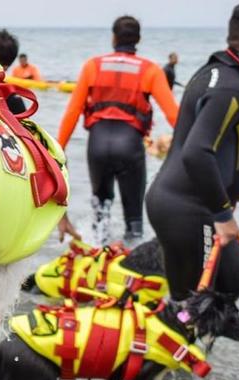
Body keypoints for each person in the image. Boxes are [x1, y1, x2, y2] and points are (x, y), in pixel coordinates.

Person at [146, 1, 239, 301]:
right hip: (189, 209)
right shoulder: (230, 88)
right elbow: (197, 152)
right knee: (213, 295)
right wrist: (224, 216)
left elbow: (204, 144)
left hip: (176, 203)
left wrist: (231, 185)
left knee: (213, 292)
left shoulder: (213, 72)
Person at [58, 16, 178, 243]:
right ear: (138, 39)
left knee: (100, 211)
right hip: (130, 146)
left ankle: (97, 257)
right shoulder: (150, 70)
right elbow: (174, 116)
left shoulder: (92, 66)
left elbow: (72, 112)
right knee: (133, 218)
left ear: (113, 38)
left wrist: (58, 149)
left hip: (97, 146)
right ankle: (132, 265)